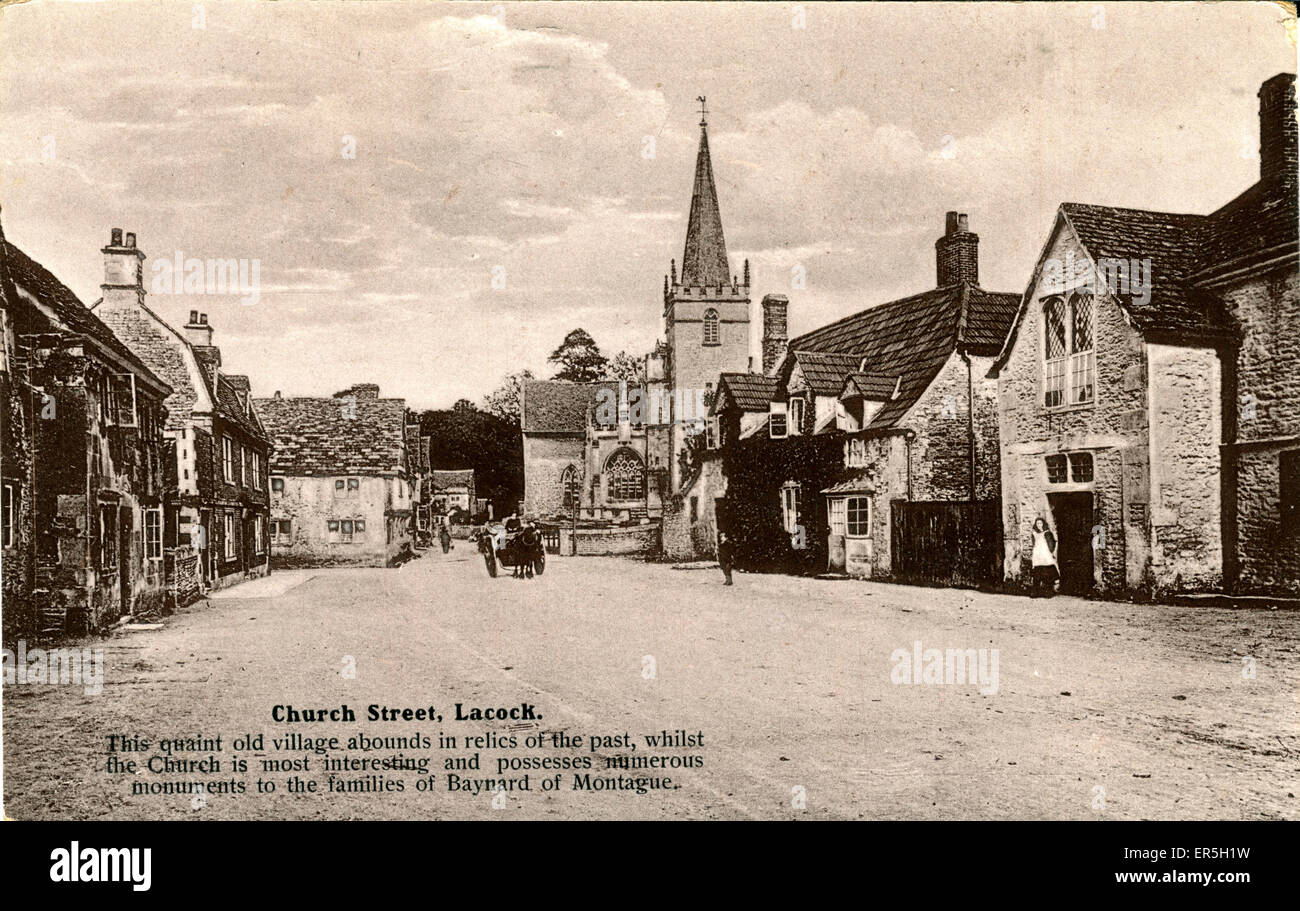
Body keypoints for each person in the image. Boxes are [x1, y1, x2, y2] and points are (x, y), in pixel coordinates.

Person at [1030, 517, 1058, 597]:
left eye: (1040, 523)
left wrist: (1051, 552)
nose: (1039, 525)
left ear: (1043, 524)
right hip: (1038, 554)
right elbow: (1033, 543)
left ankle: (1048, 592)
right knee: (1037, 572)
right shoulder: (1034, 533)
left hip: (1045, 553)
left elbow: (1052, 543)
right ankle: (1036, 592)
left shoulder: (1047, 533)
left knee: (1047, 573)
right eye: (1037, 523)